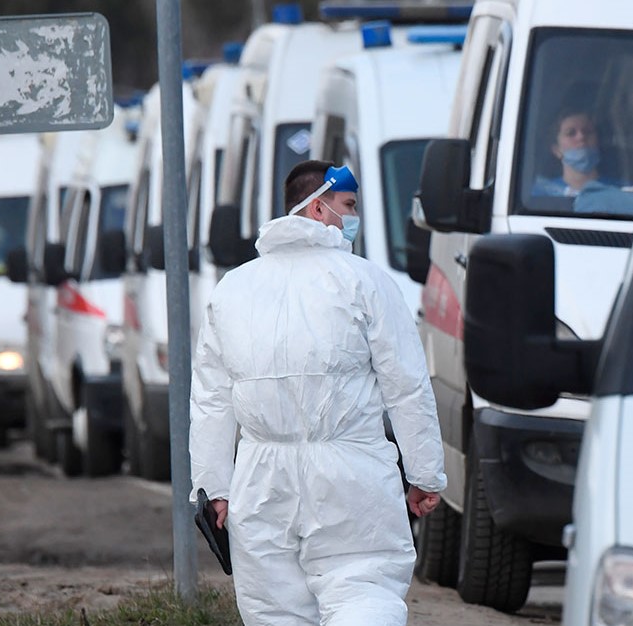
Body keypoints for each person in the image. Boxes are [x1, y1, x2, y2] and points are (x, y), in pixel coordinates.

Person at [188, 160, 446, 626]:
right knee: (363, 588)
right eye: (348, 206)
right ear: (317, 208)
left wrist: (215, 488)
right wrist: (425, 473)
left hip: (260, 481)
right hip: (352, 472)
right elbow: (406, 385)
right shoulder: (364, 281)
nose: (352, 217)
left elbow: (210, 400)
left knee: (274, 609)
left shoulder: (233, 289)